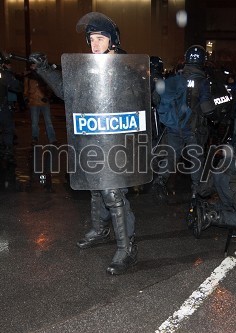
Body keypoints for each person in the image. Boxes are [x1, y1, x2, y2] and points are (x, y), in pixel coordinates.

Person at [29, 12, 139, 275]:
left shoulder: (126, 66)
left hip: (118, 141)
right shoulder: (87, 66)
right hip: (92, 139)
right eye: (91, 39)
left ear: (112, 41)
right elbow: (67, 92)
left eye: (100, 39)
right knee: (95, 186)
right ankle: (100, 230)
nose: (95, 44)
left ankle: (127, 248)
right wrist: (44, 69)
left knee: (113, 192)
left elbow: (138, 100)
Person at [152, 45, 216, 205]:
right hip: (192, 129)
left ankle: (160, 182)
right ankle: (196, 192)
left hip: (174, 127)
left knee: (172, 156)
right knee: (196, 160)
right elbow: (207, 108)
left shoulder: (176, 78)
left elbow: (157, 97)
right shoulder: (203, 82)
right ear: (202, 61)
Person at [24, 61, 57, 145]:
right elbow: (25, 90)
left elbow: (50, 87)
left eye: (35, 65)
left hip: (44, 102)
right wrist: (26, 98)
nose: (34, 67)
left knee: (48, 122)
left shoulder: (43, 76)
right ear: (31, 66)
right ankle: (35, 138)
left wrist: (47, 97)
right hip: (33, 102)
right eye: (33, 65)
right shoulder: (28, 77)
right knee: (34, 122)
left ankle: (52, 139)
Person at [0, 58, 23, 164]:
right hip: (3, 108)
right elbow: (17, 87)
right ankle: (7, 151)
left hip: (3, 107)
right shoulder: (3, 75)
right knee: (8, 129)